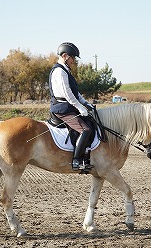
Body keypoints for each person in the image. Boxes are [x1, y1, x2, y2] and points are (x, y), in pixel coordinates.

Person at [48, 42, 94, 171]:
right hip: (62, 109)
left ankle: (86, 155)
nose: (74, 60)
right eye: (73, 57)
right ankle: (76, 161)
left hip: (69, 107)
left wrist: (85, 103)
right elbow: (67, 94)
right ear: (65, 56)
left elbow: (75, 92)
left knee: (91, 121)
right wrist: (79, 107)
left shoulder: (66, 71)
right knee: (85, 130)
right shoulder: (59, 71)